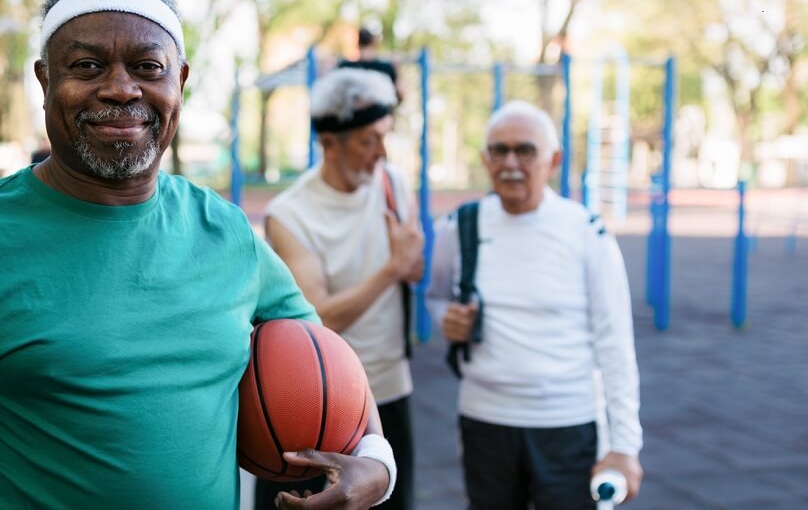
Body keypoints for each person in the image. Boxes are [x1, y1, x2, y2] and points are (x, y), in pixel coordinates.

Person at [0, 0, 395, 509]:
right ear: (45, 80)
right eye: (86, 65)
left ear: (181, 82)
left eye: (147, 67)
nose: (121, 89)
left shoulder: (226, 232)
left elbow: (326, 364)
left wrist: (379, 465)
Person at [425, 100, 643, 509]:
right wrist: (446, 320)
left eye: (525, 150)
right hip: (484, 420)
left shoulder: (586, 232)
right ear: (484, 159)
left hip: (567, 425)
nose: (511, 162)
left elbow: (615, 342)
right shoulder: (459, 226)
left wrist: (625, 445)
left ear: (553, 159)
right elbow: (436, 297)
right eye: (499, 150)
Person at [256, 68, 424, 510]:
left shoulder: (393, 185)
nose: (382, 152)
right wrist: (393, 267)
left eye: (385, 137)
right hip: (313, 404)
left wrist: (409, 263)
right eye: (370, 140)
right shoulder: (291, 214)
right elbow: (322, 319)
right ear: (330, 143)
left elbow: (415, 268)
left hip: (387, 390)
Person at [338, 28, 403, 104]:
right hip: (380, 113)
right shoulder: (386, 68)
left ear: (358, 44)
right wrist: (398, 69)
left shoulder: (345, 67)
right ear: (374, 42)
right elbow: (400, 95)